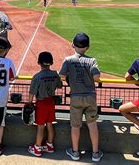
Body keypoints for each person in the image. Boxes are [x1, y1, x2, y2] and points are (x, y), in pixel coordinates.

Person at [59, 33, 103, 162]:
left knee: (75, 126)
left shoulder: (68, 60)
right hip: (90, 96)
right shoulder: (92, 60)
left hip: (75, 97)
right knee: (92, 124)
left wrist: (69, 78)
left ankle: (75, 152)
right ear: (87, 47)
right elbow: (96, 77)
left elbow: (61, 76)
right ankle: (95, 153)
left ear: (73, 45)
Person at [28, 52, 63, 157]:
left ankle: (37, 148)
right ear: (51, 62)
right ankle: (50, 145)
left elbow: (32, 92)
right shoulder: (55, 74)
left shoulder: (37, 76)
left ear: (39, 62)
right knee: (49, 124)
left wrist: (29, 103)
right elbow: (60, 85)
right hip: (51, 102)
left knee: (40, 127)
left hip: (41, 103)